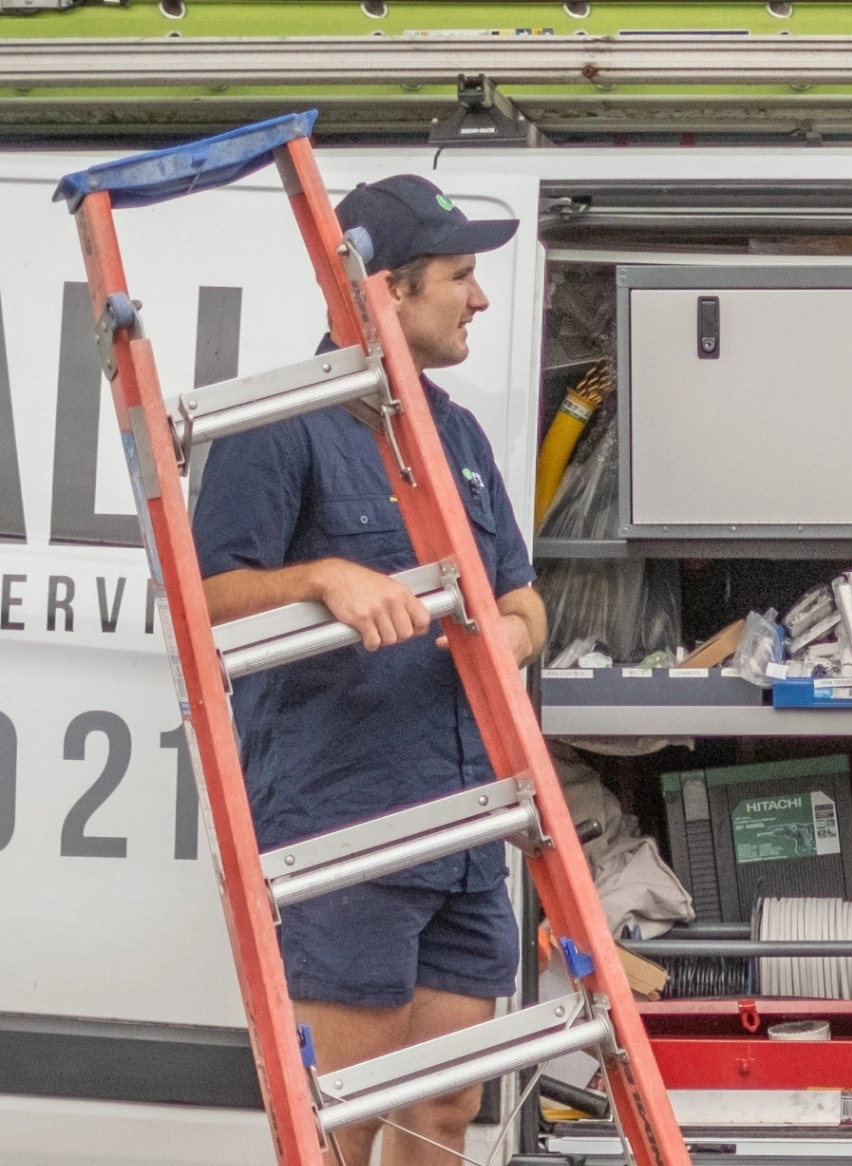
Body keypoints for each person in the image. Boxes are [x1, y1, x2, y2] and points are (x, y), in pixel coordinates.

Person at [192, 175, 547, 1166]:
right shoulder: (279, 423)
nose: (479, 298)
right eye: (462, 276)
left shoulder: (460, 435)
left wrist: (507, 638)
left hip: (468, 833)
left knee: (438, 1116)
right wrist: (324, 577)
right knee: (339, 1124)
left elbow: (524, 601)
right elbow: (200, 598)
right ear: (386, 289)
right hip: (347, 835)